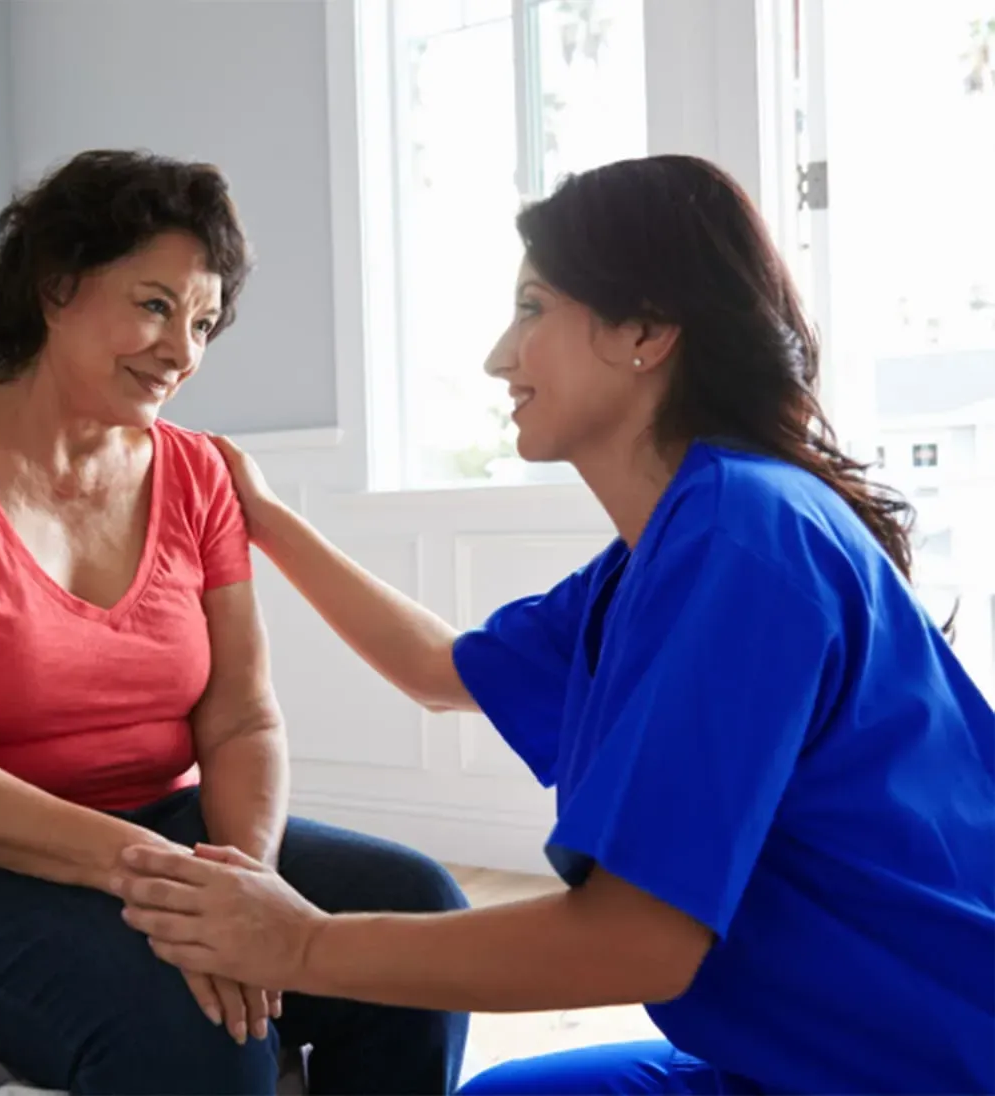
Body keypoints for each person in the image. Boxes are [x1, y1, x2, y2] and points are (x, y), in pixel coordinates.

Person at [115, 155, 995, 1095]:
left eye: (533, 308)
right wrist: (269, 518)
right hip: (793, 1053)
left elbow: (635, 943)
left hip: (924, 1064)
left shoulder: (744, 540)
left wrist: (300, 944)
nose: (502, 354)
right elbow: (436, 667)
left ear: (646, 330)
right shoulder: (670, 545)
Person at [0, 149, 469, 1096]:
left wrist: (242, 883)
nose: (183, 351)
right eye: (154, 305)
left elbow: (240, 719)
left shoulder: (196, 472)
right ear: (57, 286)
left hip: (147, 821)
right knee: (194, 1026)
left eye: (206, 322)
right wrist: (171, 886)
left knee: (419, 918)